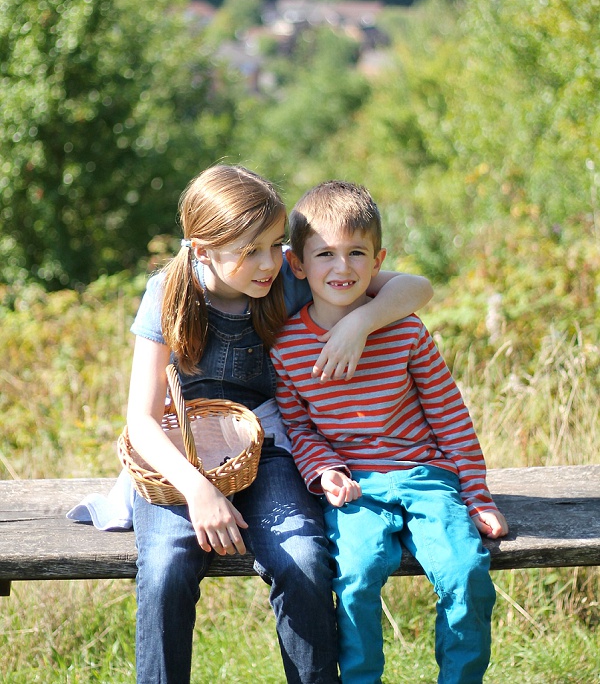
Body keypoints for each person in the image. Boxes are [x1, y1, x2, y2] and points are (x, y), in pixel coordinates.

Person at [126, 164, 433, 684]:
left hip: (266, 448)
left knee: (304, 560)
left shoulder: (286, 277)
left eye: (275, 244)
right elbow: (141, 420)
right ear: (203, 250)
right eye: (251, 251)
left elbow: (415, 288)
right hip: (183, 460)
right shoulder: (169, 294)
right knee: (164, 571)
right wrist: (199, 492)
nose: (271, 262)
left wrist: (360, 321)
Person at [272, 180, 509, 684]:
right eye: (325, 255)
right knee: (355, 576)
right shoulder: (286, 348)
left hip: (427, 475)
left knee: (465, 571)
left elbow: (450, 415)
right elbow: (297, 427)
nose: (342, 268)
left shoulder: (404, 331)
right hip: (356, 487)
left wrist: (477, 494)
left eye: (356, 253)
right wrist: (325, 472)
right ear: (298, 265)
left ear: (378, 261)